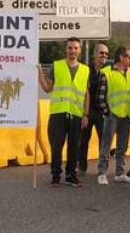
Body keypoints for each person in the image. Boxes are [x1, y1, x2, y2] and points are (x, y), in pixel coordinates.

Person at [37, 37, 90, 187]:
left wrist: (86, 114)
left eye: (75, 48)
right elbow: (48, 88)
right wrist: (40, 72)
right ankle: (55, 175)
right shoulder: (57, 66)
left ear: (79, 50)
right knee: (56, 146)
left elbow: (86, 93)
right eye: (70, 48)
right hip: (58, 113)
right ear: (66, 49)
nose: (72, 51)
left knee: (74, 147)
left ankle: (70, 175)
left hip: (76, 114)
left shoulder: (85, 70)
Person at [97, 46, 130, 184]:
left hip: (126, 114)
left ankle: (120, 173)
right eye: (129, 57)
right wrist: (107, 112)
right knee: (106, 145)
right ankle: (102, 173)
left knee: (122, 145)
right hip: (112, 114)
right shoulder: (106, 72)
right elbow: (101, 96)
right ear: (121, 57)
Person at [77, 44, 110, 173]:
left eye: (106, 54)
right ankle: (82, 166)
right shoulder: (86, 70)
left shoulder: (109, 71)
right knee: (83, 140)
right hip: (88, 111)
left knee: (104, 141)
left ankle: (103, 168)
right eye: (101, 53)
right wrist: (84, 113)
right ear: (95, 54)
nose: (104, 56)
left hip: (102, 112)